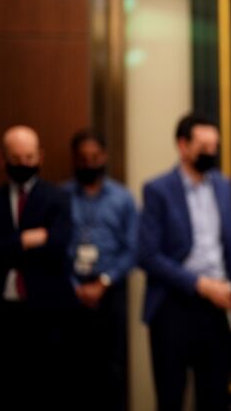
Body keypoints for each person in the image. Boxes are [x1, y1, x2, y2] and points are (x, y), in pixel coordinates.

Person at [138, 114, 231, 410]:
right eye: (202, 146)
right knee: (171, 397)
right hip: (172, 307)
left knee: (215, 397)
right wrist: (200, 285)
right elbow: (148, 255)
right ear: (182, 145)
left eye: (214, 146)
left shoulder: (223, 186)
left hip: (217, 308)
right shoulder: (158, 189)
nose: (210, 152)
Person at [0, 125, 76, 408]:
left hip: (47, 310)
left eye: (29, 158)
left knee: (48, 389)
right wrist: (26, 239)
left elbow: (56, 246)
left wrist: (9, 246)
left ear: (40, 157)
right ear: (3, 160)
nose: (24, 165)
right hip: (5, 312)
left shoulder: (58, 197)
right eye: (16, 159)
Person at [62, 130, 137, 411]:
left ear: (104, 157)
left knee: (112, 369)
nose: (89, 163)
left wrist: (103, 282)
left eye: (95, 157)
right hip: (71, 293)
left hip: (110, 291)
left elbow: (132, 249)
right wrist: (74, 286)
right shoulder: (61, 196)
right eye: (83, 159)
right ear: (74, 160)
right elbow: (55, 247)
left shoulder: (122, 198)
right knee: (74, 370)